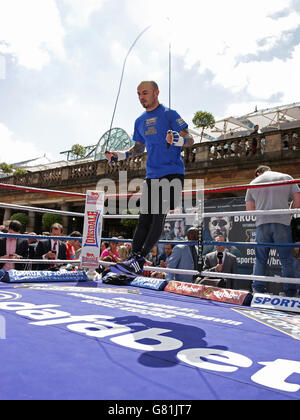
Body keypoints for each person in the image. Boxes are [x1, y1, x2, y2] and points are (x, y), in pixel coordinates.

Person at [105, 80, 193, 277]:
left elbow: (190, 140)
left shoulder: (170, 114)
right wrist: (117, 156)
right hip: (152, 174)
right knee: (144, 218)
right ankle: (134, 259)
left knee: (157, 215)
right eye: (138, 94)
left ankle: (139, 259)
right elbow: (137, 148)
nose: (141, 97)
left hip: (172, 173)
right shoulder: (139, 121)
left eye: (145, 92)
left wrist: (176, 140)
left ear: (156, 93)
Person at [245, 165, 300, 296]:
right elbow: (298, 199)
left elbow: (250, 209)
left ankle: (258, 289)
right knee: (286, 260)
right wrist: (289, 213)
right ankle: (290, 292)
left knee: (260, 259)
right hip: (282, 223)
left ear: (258, 173)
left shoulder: (254, 182)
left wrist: (261, 214)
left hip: (262, 224)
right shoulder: (286, 177)